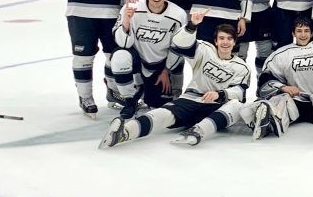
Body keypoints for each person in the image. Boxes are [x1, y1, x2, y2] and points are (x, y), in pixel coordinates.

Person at [99, 10, 250, 149]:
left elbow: (239, 92)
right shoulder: (205, 50)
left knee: (236, 105)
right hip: (191, 99)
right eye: (221, 38)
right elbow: (180, 43)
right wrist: (192, 25)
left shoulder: (241, 67)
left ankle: (197, 132)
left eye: (229, 39)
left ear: (234, 42)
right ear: (215, 41)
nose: (225, 42)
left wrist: (220, 94)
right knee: (163, 114)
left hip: (216, 107)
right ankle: (125, 133)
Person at [239, 16, 313, 142]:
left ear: (312, 33)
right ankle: (269, 119)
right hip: (295, 102)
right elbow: (265, 78)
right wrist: (282, 87)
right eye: (299, 31)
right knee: (278, 100)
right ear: (293, 33)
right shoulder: (282, 54)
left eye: (306, 31)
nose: (303, 34)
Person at [110, 0, 187, 120]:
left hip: (160, 65)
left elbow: (178, 48)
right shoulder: (131, 8)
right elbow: (123, 44)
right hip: (137, 59)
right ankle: (129, 100)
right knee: (120, 56)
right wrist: (127, 20)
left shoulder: (179, 14)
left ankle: (145, 89)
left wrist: (166, 70)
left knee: (158, 106)